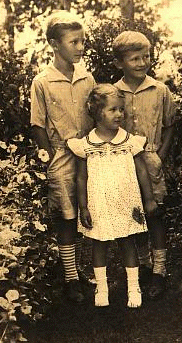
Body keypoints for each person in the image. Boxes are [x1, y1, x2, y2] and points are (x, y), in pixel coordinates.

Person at [67, 84, 157, 308]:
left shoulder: (128, 141)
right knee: (99, 243)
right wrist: (84, 207)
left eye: (121, 109)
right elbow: (81, 178)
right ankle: (102, 287)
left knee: (127, 242)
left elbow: (141, 170)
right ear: (98, 113)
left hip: (125, 200)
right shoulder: (86, 144)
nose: (119, 114)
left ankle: (133, 287)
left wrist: (148, 199)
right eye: (113, 110)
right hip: (99, 202)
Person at [30, 10, 95, 303]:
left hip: (91, 155)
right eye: (74, 42)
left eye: (82, 41)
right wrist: (50, 156)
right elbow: (38, 123)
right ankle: (72, 279)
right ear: (55, 44)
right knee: (67, 216)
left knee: (90, 212)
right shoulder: (43, 81)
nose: (81, 47)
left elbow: (97, 114)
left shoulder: (87, 77)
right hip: (62, 157)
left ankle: (86, 269)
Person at [112, 31, 177, 299]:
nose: (141, 63)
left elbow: (171, 125)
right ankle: (141, 266)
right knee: (132, 215)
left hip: (151, 160)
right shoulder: (113, 92)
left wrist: (160, 154)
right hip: (123, 162)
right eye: (134, 58)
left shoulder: (160, 90)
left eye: (146, 56)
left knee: (156, 214)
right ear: (120, 63)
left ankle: (159, 270)